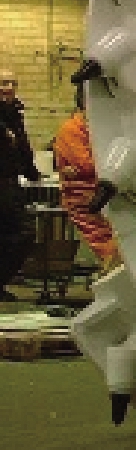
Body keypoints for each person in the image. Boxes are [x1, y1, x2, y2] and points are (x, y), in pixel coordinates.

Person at [53, 84, 121, 275]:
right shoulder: (72, 129)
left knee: (119, 249)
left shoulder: (99, 127)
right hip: (87, 201)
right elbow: (87, 165)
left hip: (107, 198)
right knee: (112, 251)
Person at [0, 69, 42, 300]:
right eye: (2, 83)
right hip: (4, 185)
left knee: (18, 235)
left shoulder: (15, 114)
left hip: (10, 184)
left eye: (11, 83)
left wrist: (32, 172)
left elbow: (22, 148)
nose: (7, 87)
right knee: (21, 233)